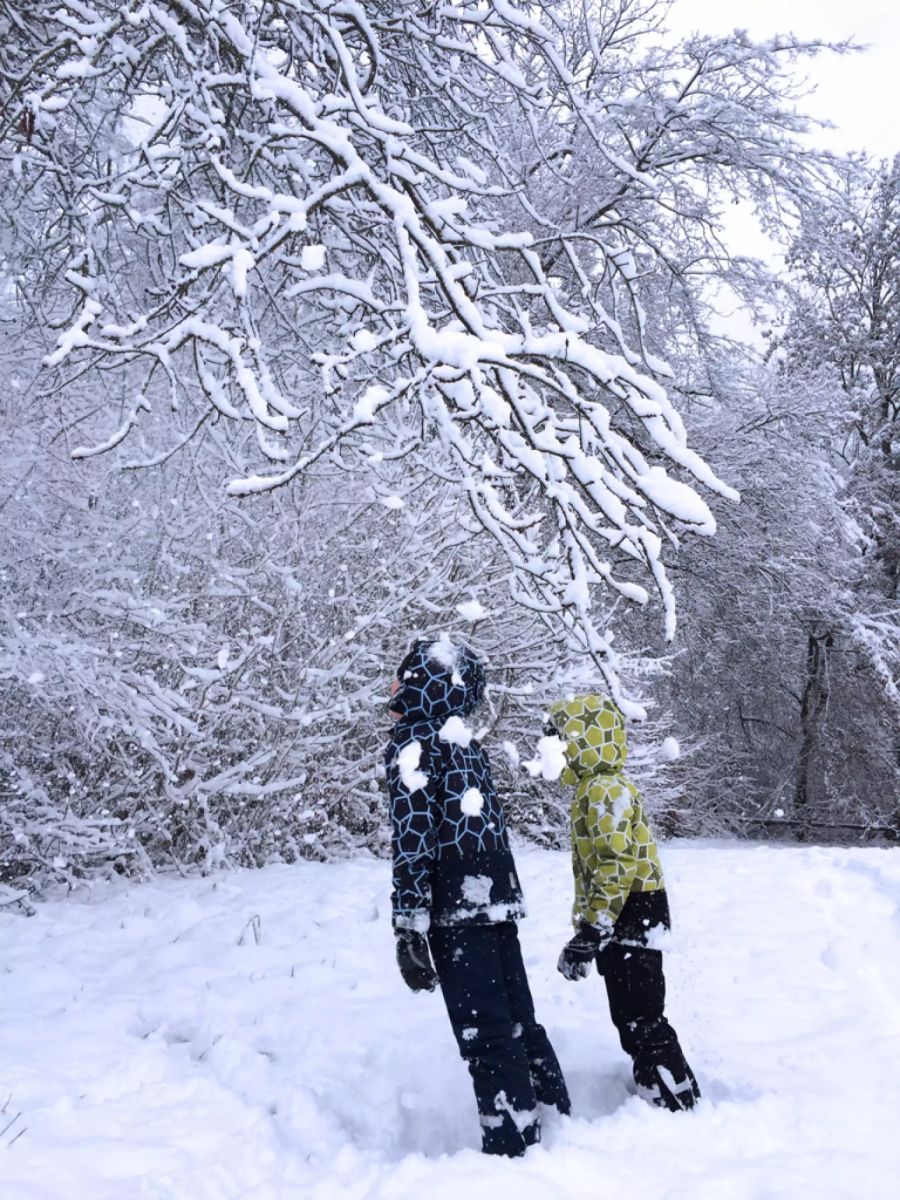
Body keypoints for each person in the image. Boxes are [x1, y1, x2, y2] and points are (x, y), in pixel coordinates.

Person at [385, 635, 570, 1156]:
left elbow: (414, 837)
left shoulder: (414, 746)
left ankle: (513, 1143)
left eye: (405, 675)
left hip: (453, 906)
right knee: (516, 1017)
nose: (395, 685)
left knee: (484, 1031)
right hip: (494, 896)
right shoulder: (465, 743)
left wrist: (408, 923)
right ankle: (557, 1118)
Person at [545, 693, 701, 1112]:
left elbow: (617, 863)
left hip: (634, 908)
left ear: (582, 742)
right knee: (631, 1009)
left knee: (640, 1013)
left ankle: (674, 1097)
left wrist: (595, 927)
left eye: (559, 740)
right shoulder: (595, 789)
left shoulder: (603, 790)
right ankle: (658, 1086)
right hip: (630, 908)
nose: (551, 750)